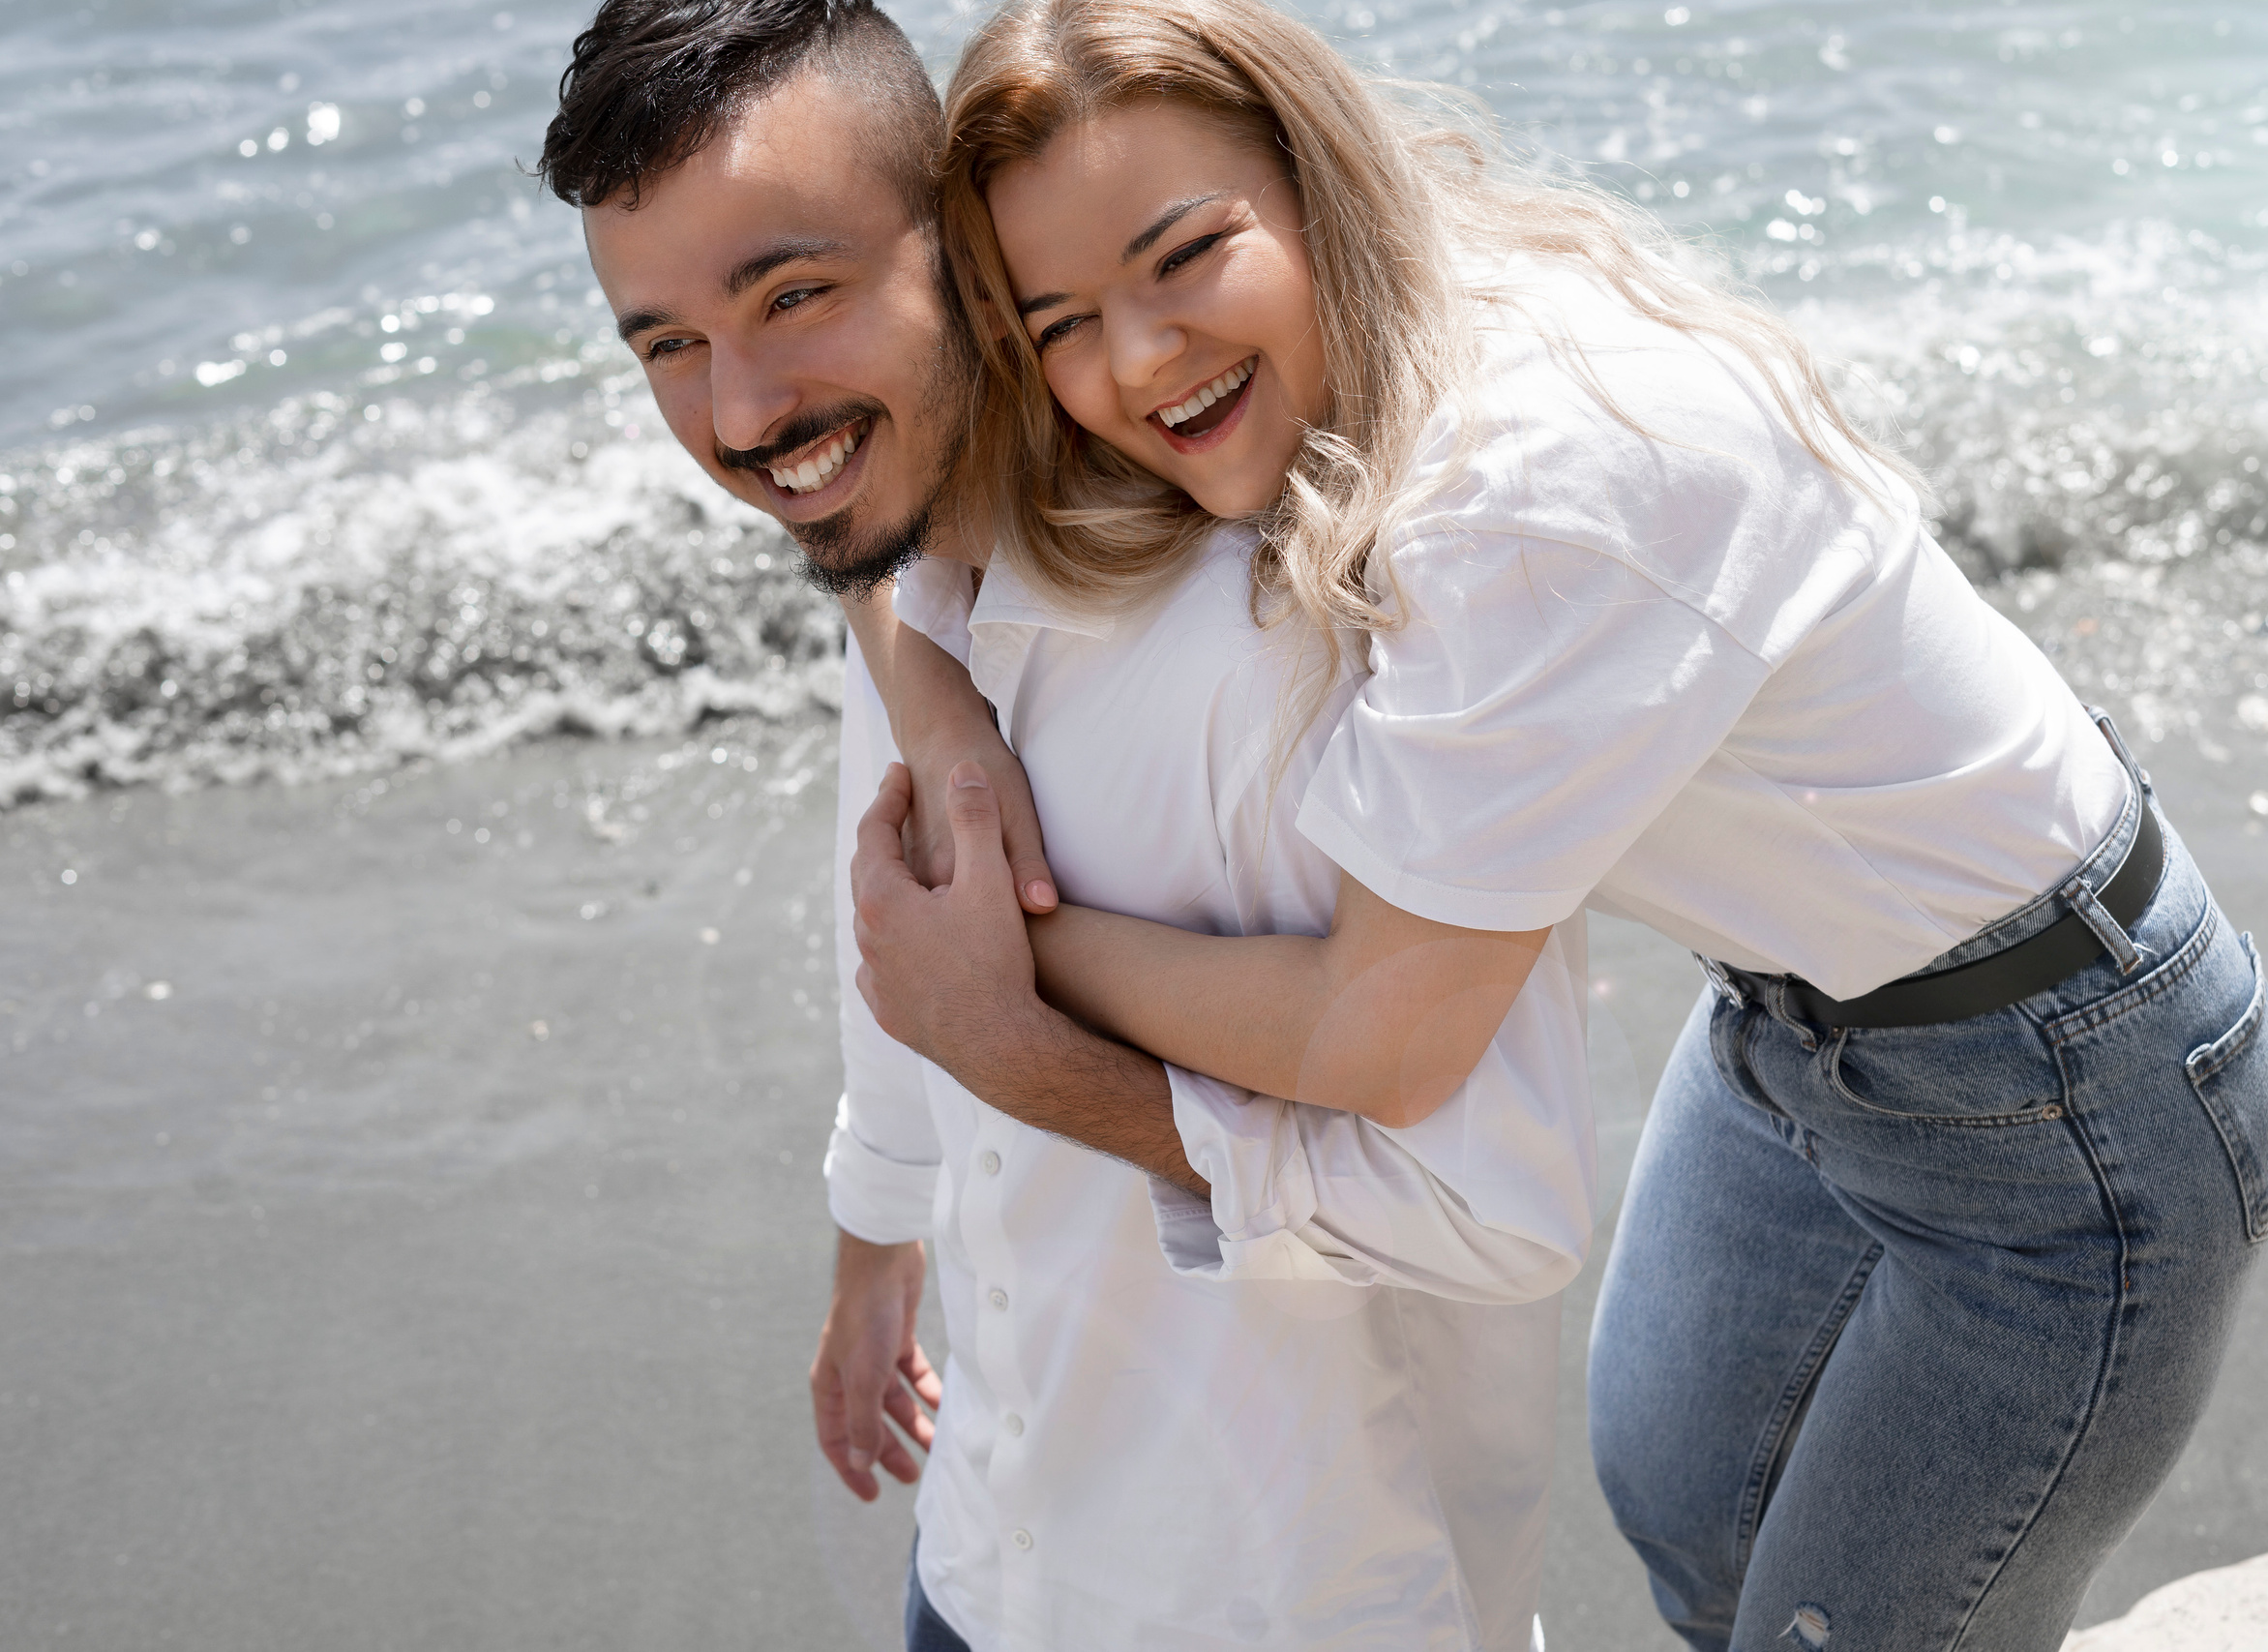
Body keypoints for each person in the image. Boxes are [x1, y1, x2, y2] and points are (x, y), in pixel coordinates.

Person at [851, 0, 2268, 1647]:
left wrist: (1002, 967)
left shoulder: (1534, 483)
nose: (1136, 360)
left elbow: (1374, 1036)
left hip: (2075, 1089)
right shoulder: (1383, 332)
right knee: (1694, 1528)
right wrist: (943, 711)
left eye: (1186, 254)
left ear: (1317, 176)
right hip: (1790, 1024)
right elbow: (871, 493)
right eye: (1060, 319)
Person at [544, 2, 1598, 1647]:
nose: (739, 412)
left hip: (1291, 1602)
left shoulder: (1284, 657)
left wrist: (1022, 1036)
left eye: (793, 295)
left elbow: (1499, 1213)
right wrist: (877, 1232)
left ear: (976, 265)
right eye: (668, 343)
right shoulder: (905, 576)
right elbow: (892, 952)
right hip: (985, 1571)